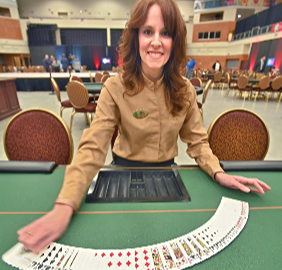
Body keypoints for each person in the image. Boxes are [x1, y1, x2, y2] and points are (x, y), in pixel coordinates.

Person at [18, 0, 271, 254]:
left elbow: (198, 143)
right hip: (121, 172)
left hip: (169, 176)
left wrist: (219, 172)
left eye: (166, 33)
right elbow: (92, 148)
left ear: (176, 42)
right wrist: (65, 204)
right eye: (148, 31)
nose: (156, 41)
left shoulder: (185, 91)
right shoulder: (114, 87)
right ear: (136, 36)